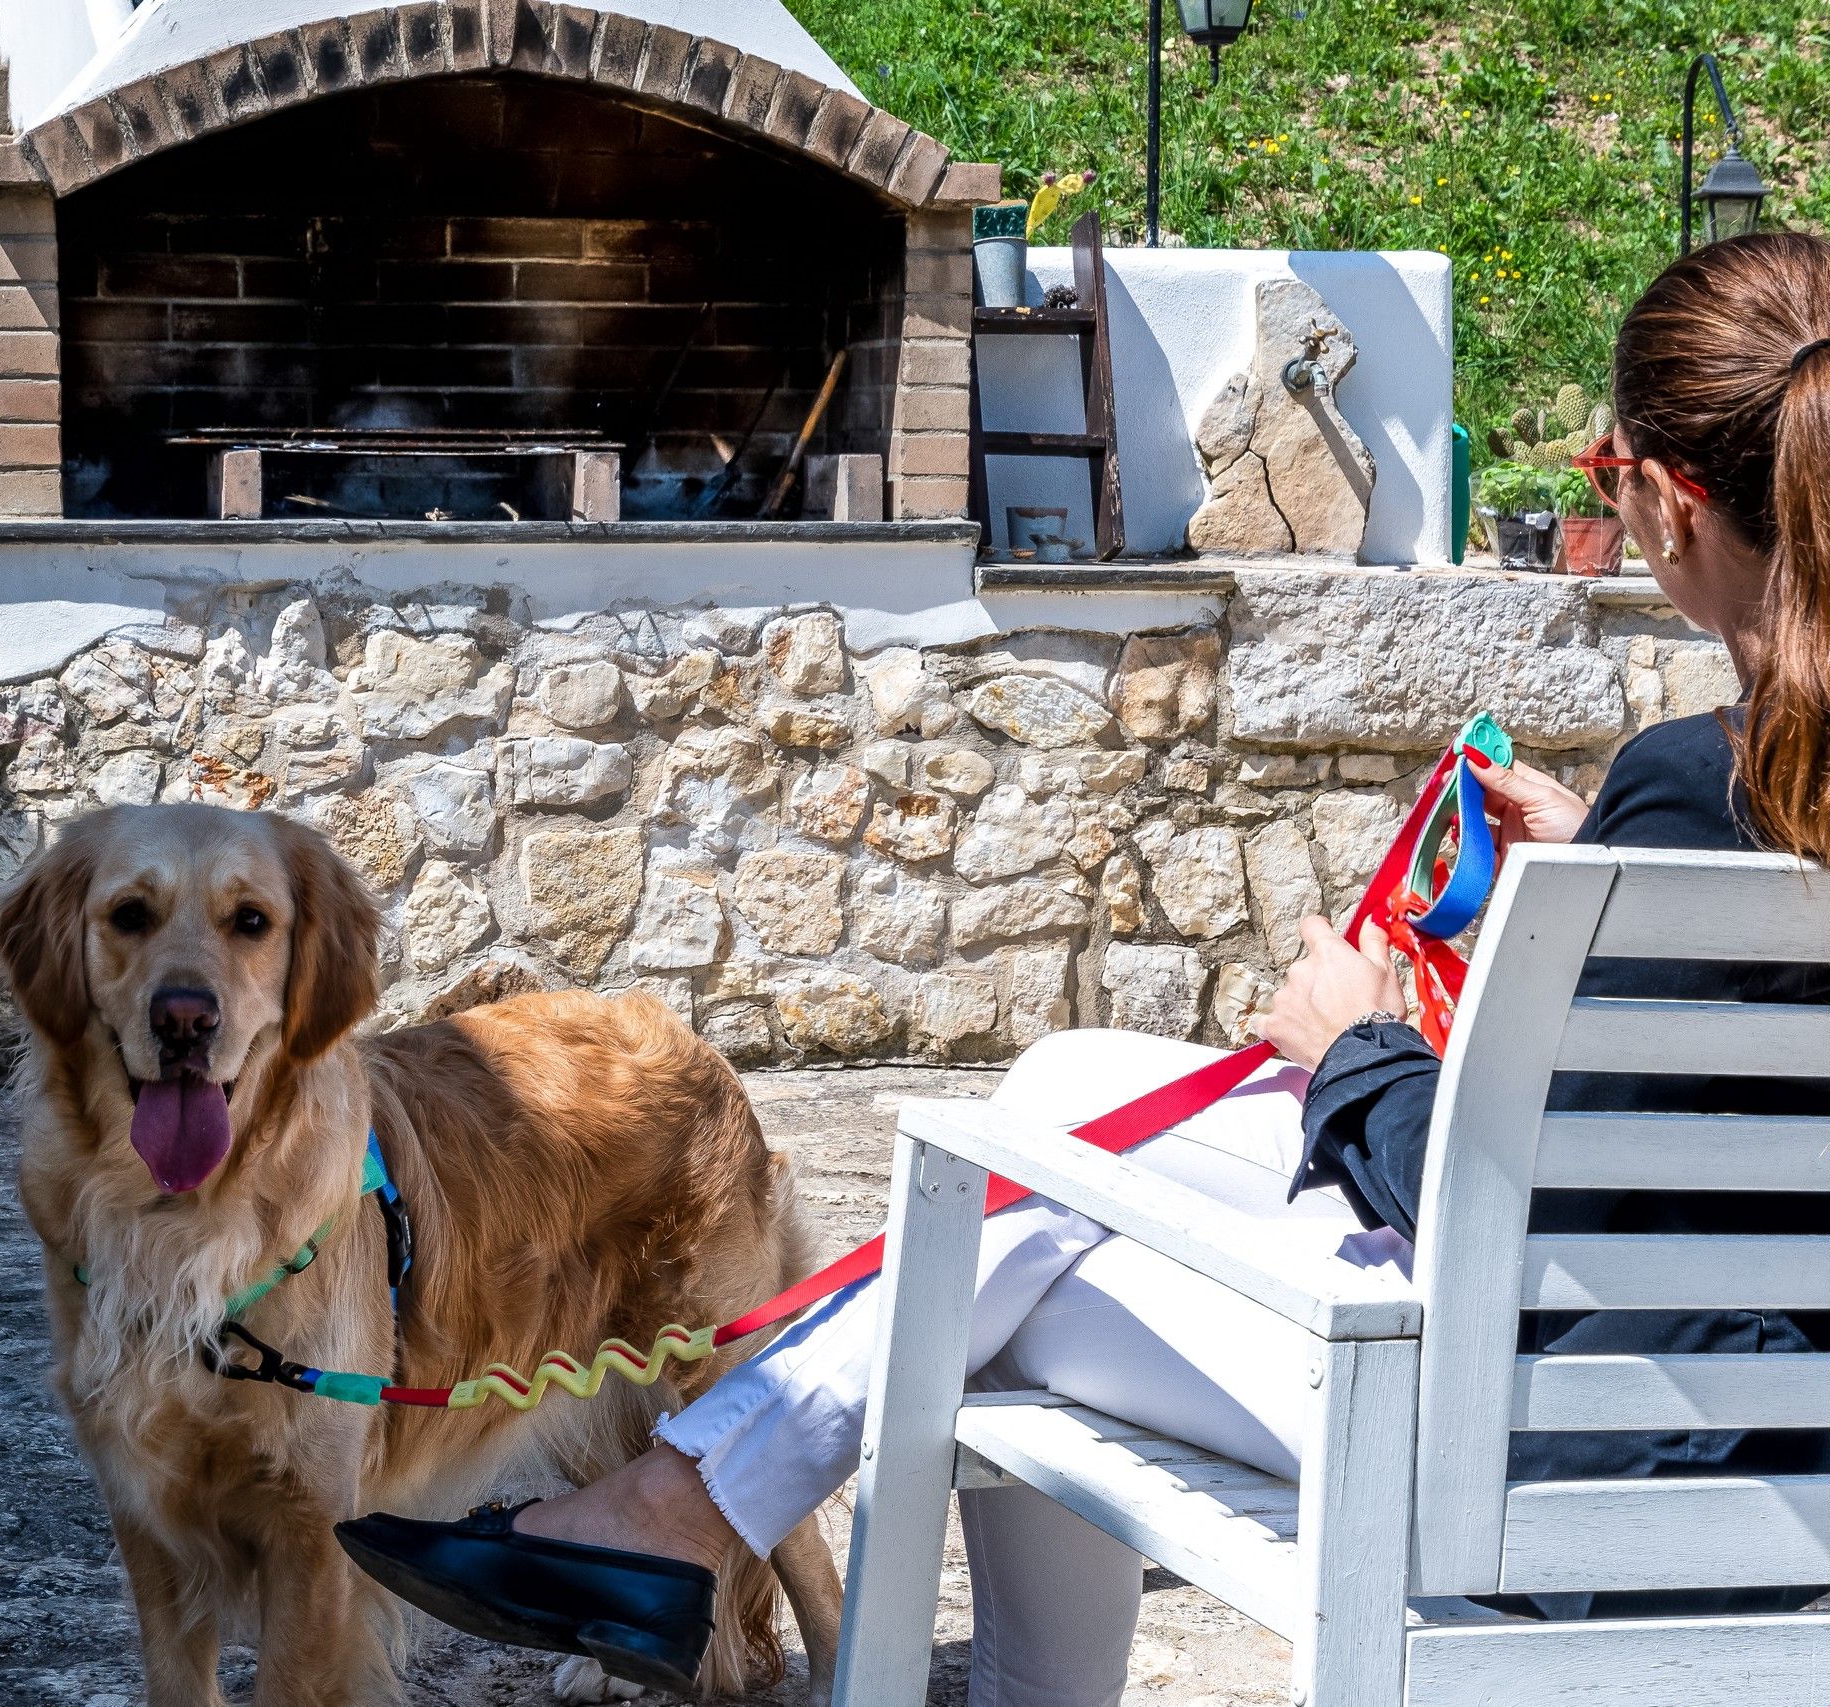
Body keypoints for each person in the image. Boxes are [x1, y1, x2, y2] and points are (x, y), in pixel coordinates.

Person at [335, 231, 1830, 1705]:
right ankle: (667, 1517)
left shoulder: (1689, 788)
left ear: (1677, 510)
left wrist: (1354, 1042)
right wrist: (1604, 864)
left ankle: (676, 1523)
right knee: (1060, 1088)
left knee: (985, 1281)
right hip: (1764, 1415)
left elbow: (1513, 1211)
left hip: (1588, 1460)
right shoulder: (1707, 801)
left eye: (1602, 482)